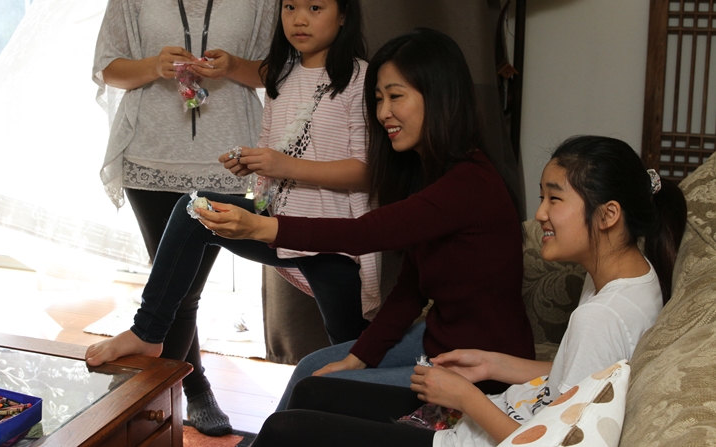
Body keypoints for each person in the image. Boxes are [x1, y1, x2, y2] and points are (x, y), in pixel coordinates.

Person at [87, 0, 378, 434]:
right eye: (290, 7)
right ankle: (148, 331)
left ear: (343, 13)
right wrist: (253, 161)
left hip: (333, 242)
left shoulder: (361, 79)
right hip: (279, 225)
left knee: (354, 352)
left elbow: (365, 172)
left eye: (315, 8)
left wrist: (281, 164)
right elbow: (271, 126)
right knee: (193, 210)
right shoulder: (281, 75)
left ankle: (368, 427)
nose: (299, 19)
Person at [242, 135, 687, 447]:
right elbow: (579, 375)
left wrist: (465, 398)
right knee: (313, 391)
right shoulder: (634, 279)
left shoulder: (601, 316)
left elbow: (557, 441)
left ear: (608, 215)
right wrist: (493, 363)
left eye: (554, 199)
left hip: (475, 436)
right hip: (504, 410)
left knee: (286, 430)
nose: (540, 214)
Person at [198, 27, 536, 411]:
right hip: (440, 341)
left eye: (395, 96)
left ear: (439, 96)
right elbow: (410, 288)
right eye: (378, 99)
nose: (383, 112)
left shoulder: (470, 182)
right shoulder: (432, 174)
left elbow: (364, 233)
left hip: (483, 368)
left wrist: (260, 227)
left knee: (320, 392)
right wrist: (358, 357)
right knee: (312, 368)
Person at [90, 0, 278, 436]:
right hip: (150, 154)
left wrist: (233, 66)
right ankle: (182, 395)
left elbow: (277, 73)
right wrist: (154, 65)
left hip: (229, 160)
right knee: (176, 285)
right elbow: (107, 67)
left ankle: (160, 398)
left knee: (181, 287)